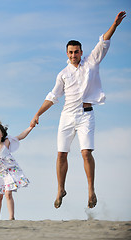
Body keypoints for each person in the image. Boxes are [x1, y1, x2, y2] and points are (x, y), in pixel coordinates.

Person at [30, 11, 126, 209]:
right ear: (67, 54)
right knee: (61, 154)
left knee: (85, 152)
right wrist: (38, 113)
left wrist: (114, 25)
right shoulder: (63, 74)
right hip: (67, 116)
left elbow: (103, 42)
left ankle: (91, 190)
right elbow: (52, 97)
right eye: (70, 52)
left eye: (76, 51)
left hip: (86, 116)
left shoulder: (91, 63)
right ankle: (60, 189)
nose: (74, 55)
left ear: (81, 52)